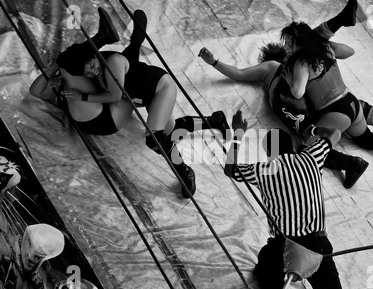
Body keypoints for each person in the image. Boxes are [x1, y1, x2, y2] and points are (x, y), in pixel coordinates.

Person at [30, 8, 230, 199]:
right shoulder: (94, 71)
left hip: (160, 88)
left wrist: (82, 97)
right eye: (87, 72)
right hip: (143, 97)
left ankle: (185, 171)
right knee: (170, 131)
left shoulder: (112, 63)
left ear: (95, 56)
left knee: (155, 138)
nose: (91, 72)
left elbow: (115, 96)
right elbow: (125, 60)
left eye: (91, 66)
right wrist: (136, 39)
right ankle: (213, 120)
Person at [224, 110, 347, 289]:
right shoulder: (311, 157)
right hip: (318, 244)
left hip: (286, 246)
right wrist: (312, 130)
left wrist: (238, 134)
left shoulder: (262, 170)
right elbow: (335, 133)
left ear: (268, 153)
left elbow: (230, 169)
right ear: (291, 146)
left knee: (265, 268)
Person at [280, 21, 373, 168]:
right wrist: (326, 43)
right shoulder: (326, 48)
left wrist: (289, 80)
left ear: (300, 42)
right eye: (285, 42)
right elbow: (350, 51)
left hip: (334, 110)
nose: (286, 47)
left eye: (289, 43)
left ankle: (352, 165)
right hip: (351, 103)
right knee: (368, 139)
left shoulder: (301, 63)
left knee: (307, 149)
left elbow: (298, 93)